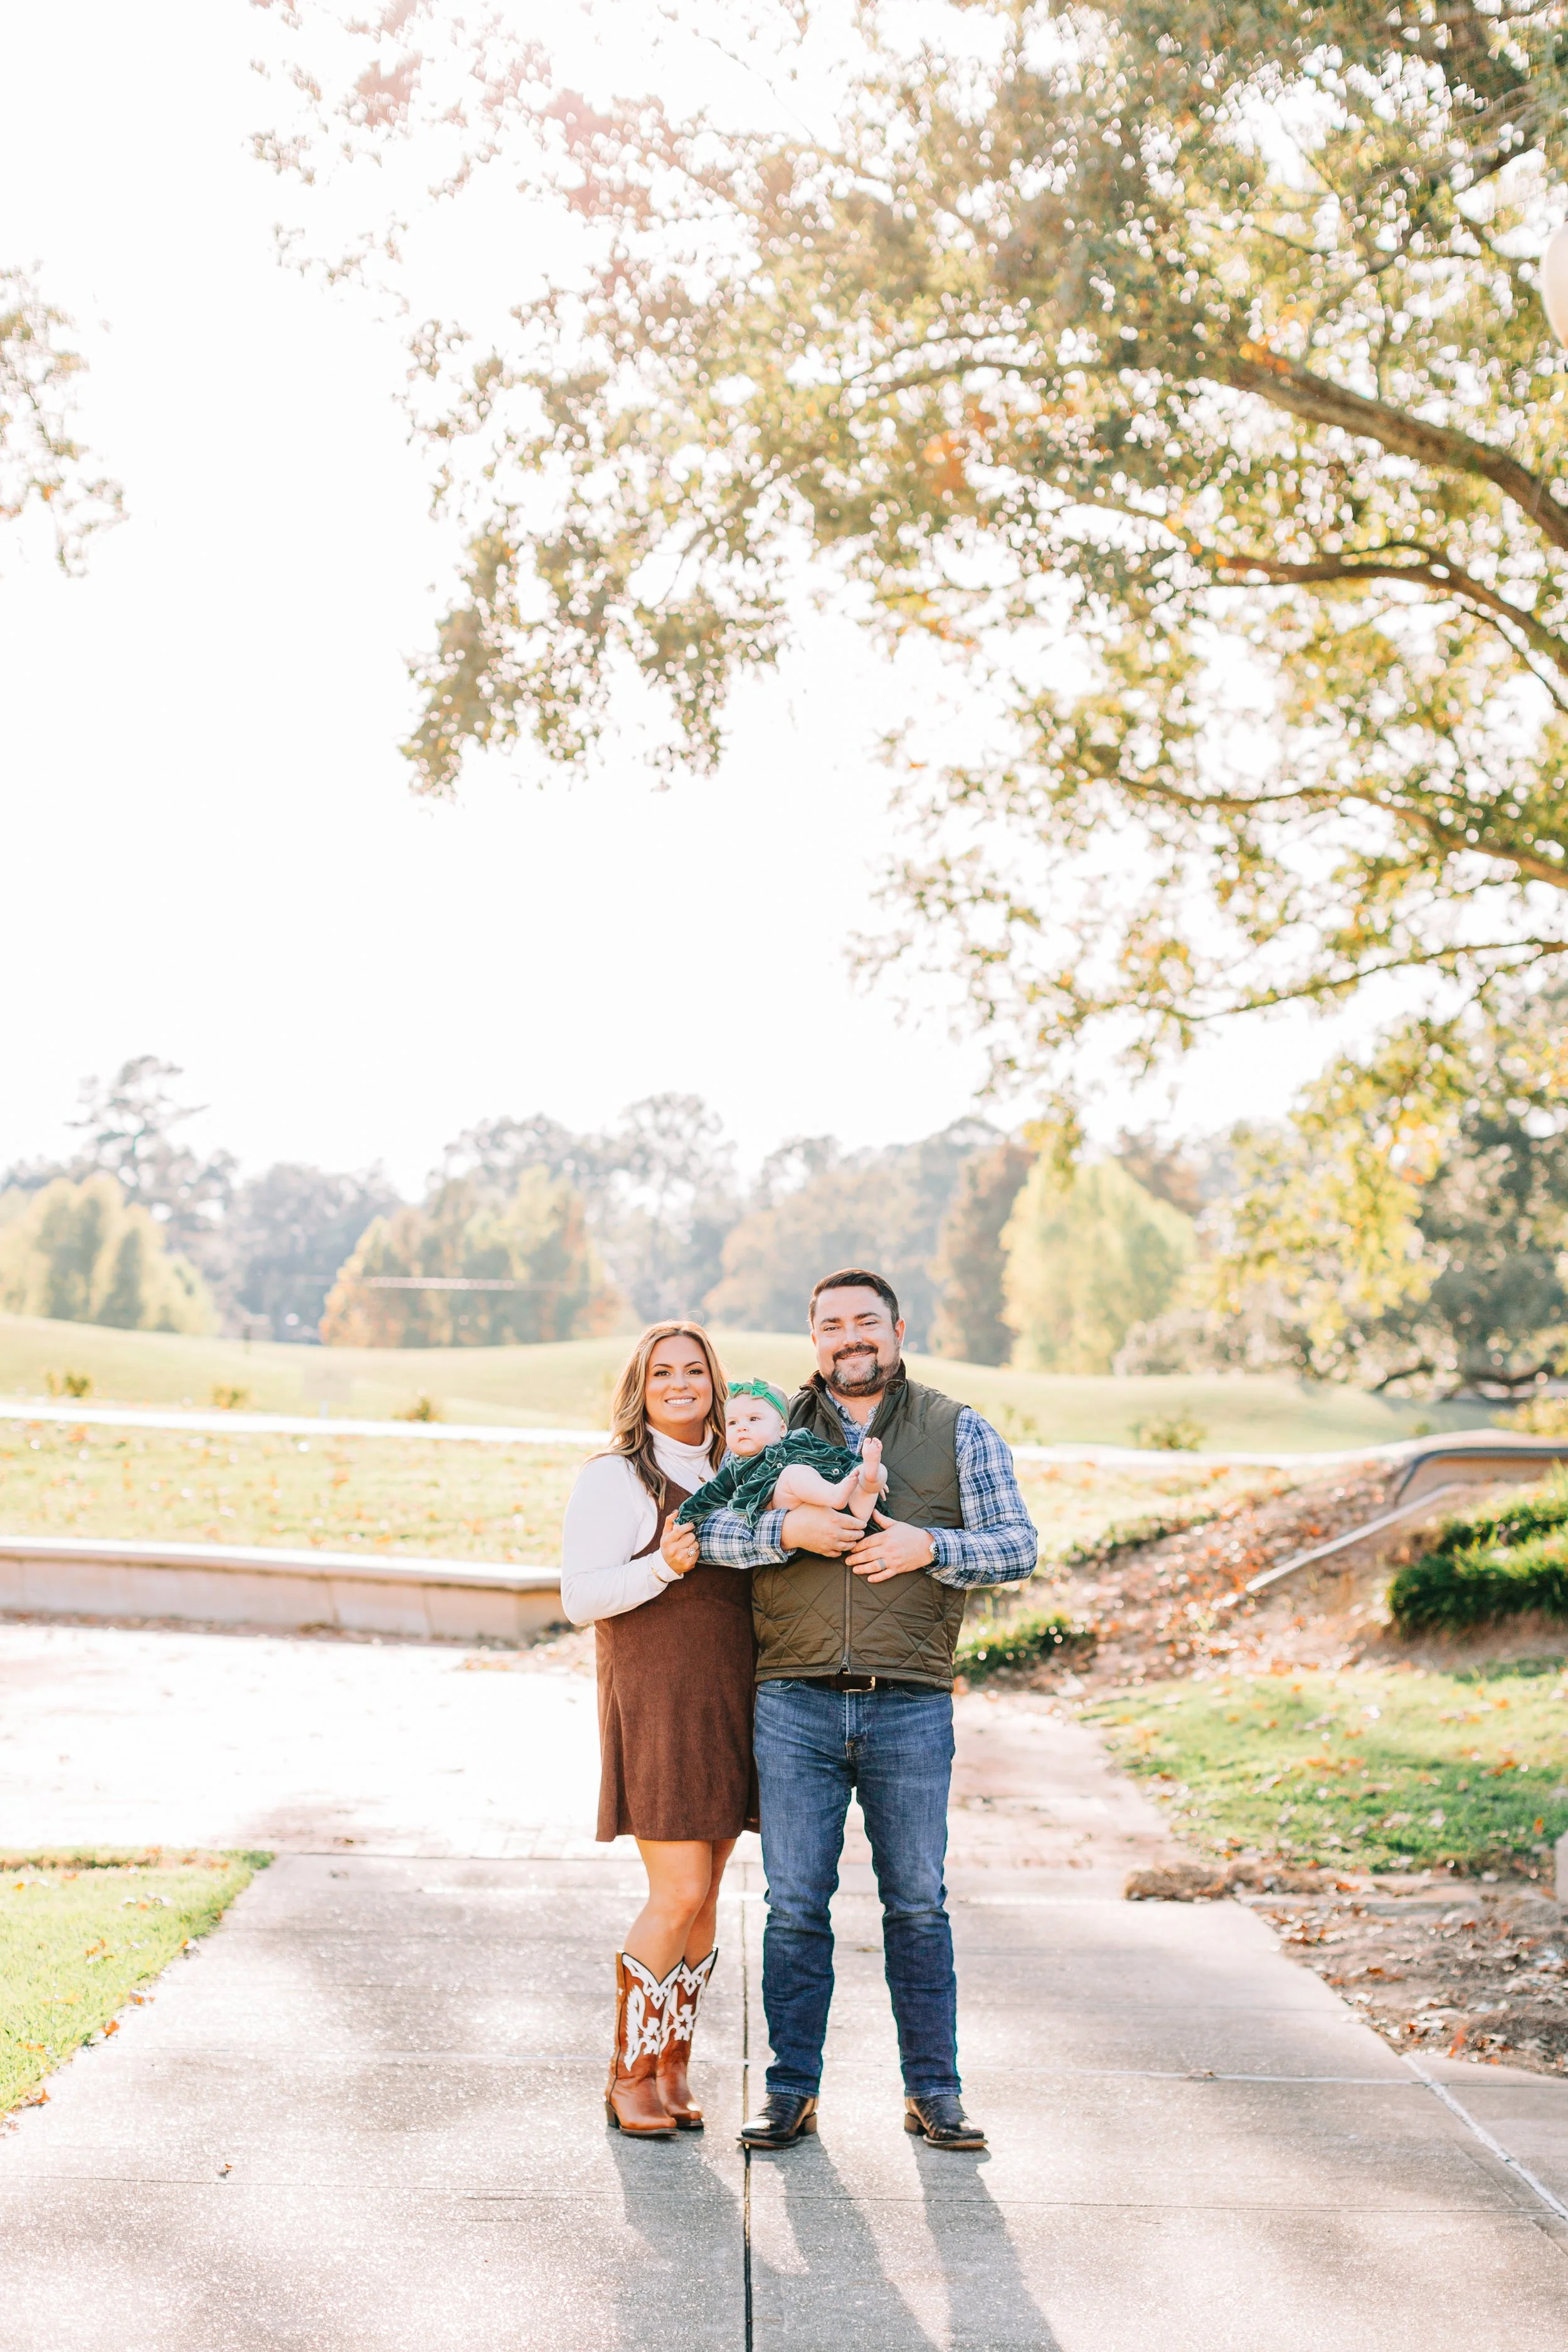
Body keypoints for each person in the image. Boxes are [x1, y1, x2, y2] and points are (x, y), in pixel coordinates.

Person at [690, 1268, 1038, 2153]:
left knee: (917, 1905)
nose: (851, 1337)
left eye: (866, 1322)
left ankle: (935, 2093)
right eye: (833, 1324)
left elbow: (1017, 1544)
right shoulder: (771, 1430)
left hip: (910, 1705)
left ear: (897, 1330)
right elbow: (706, 1530)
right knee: (794, 1908)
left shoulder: (958, 1428)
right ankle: (789, 2092)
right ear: (814, 1338)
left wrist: (931, 1546)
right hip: (793, 1702)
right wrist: (787, 1531)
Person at [559, 1322, 756, 2139]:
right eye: (663, 1372)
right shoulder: (615, 1476)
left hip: (733, 1700)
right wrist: (663, 1567)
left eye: (694, 1370)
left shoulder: (736, 1469)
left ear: (715, 1382)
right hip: (659, 1701)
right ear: (640, 1387)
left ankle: (674, 2067)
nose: (680, 1384)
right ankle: (630, 2074)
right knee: (675, 1891)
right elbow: (580, 1597)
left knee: (706, 1895)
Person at [673, 1377, 887, 1532]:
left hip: (834, 1498)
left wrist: (857, 1466)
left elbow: (833, 1454)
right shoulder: (735, 1465)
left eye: (754, 1419)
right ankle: (835, 1495)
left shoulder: (800, 1438)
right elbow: (710, 1494)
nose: (742, 1428)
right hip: (780, 1502)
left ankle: (869, 1483)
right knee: (793, 1474)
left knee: (875, 1473)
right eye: (733, 1423)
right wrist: (683, 1518)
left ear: (782, 1428)